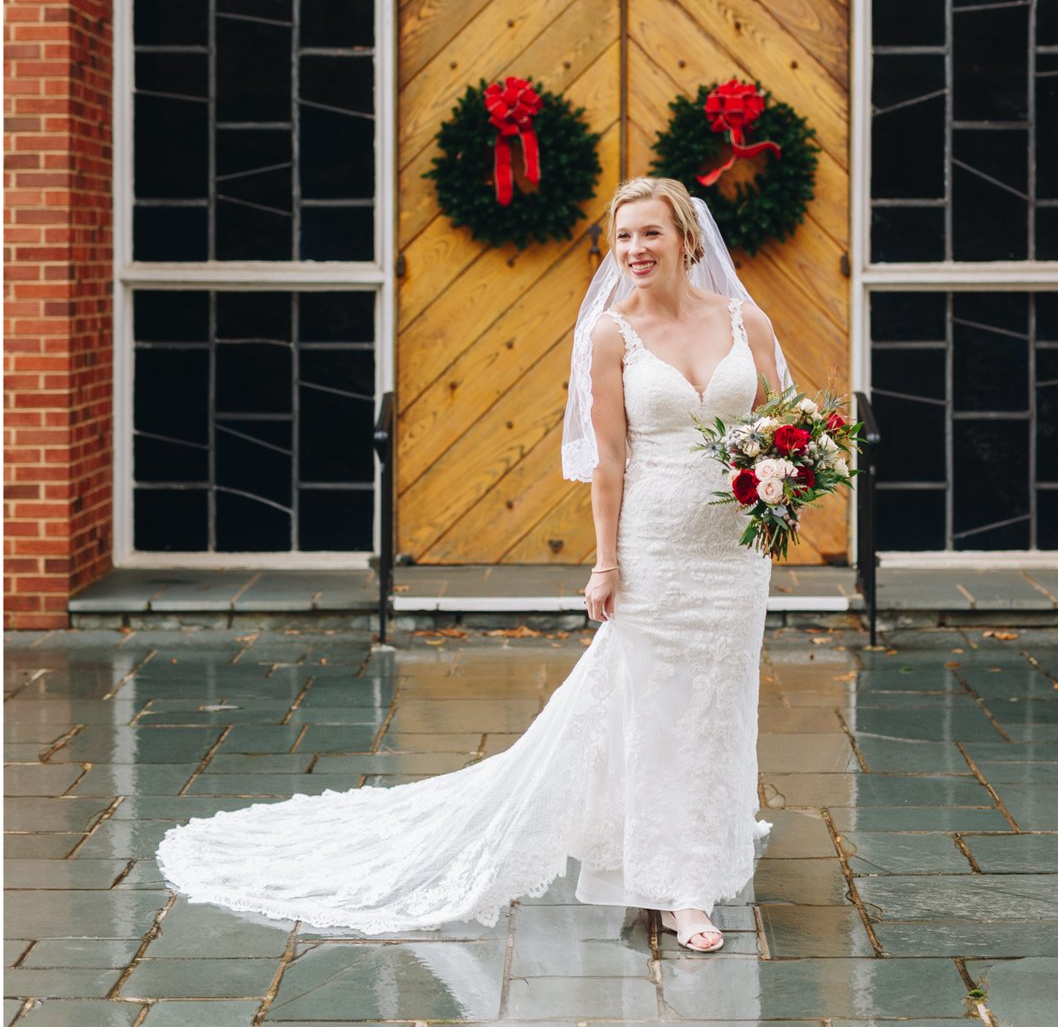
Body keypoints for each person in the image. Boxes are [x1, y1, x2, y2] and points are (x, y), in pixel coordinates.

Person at [159, 178, 789, 952]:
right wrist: (604, 565)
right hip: (654, 546)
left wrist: (784, 496)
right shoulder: (609, 335)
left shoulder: (744, 320)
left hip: (732, 556)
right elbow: (609, 461)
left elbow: (783, 426)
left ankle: (701, 849)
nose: (634, 251)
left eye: (650, 234)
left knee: (717, 707)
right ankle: (675, 889)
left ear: (687, 239)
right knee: (658, 712)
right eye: (622, 237)